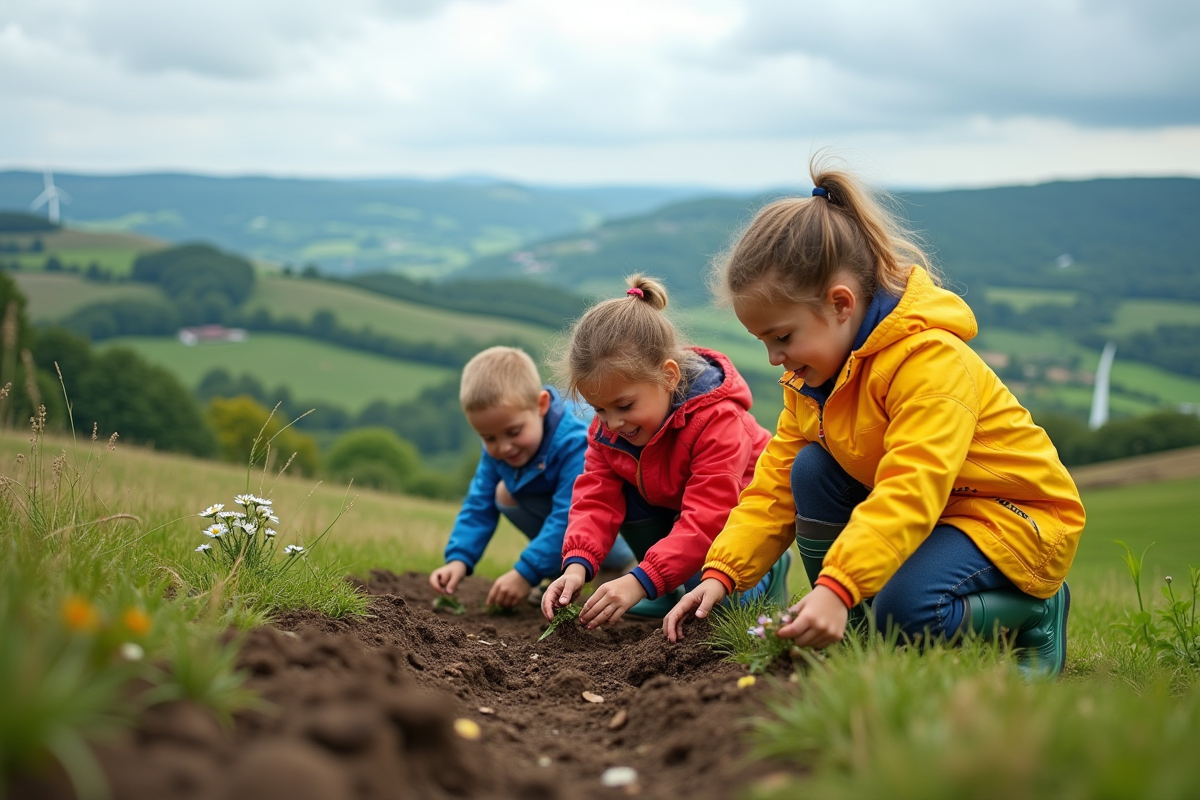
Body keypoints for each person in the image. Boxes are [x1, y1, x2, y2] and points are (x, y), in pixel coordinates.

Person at [663, 162, 1085, 678]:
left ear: (841, 304)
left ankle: (1037, 612)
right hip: (935, 515)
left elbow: (913, 485)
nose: (775, 357)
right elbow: (773, 486)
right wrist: (723, 572)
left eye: (782, 337)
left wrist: (838, 584)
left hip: (1009, 516)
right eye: (763, 343)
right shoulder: (811, 380)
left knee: (908, 614)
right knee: (810, 468)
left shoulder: (930, 362)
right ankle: (850, 631)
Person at [541, 275, 790, 628]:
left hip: (737, 525)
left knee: (713, 613)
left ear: (669, 377)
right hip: (680, 517)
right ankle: (667, 588)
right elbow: (595, 499)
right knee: (622, 490)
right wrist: (577, 564)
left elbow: (708, 519)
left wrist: (639, 581)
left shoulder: (717, 420)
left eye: (624, 405)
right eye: (599, 410)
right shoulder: (610, 433)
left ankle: (769, 569)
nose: (611, 423)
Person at [430, 346, 636, 609]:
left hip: (605, 528)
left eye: (513, 432)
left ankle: (623, 563)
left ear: (541, 405)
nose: (504, 447)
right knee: (502, 494)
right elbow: (478, 504)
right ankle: (561, 571)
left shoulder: (574, 444)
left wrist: (525, 573)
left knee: (566, 512)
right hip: (565, 533)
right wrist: (458, 559)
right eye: (489, 438)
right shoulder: (499, 450)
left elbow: (567, 515)